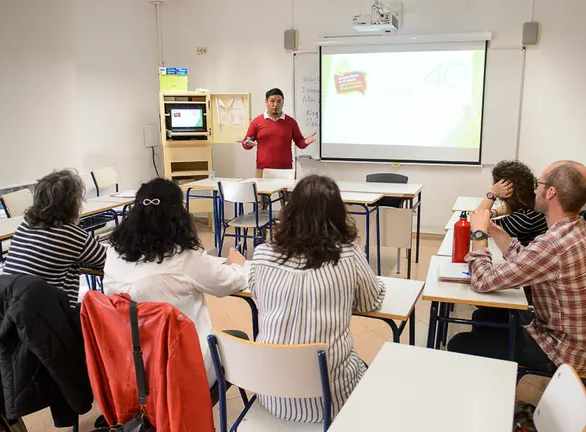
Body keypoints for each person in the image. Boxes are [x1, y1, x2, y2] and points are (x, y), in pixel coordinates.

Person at [446, 161, 586, 375]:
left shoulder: (552, 244)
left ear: (551, 192)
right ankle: (493, 380)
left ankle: (490, 389)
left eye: (539, 183)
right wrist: (496, 231)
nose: (535, 189)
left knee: (460, 343)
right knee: (485, 315)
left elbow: (482, 280)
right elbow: (528, 259)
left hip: (562, 352)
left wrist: (479, 235)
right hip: (579, 343)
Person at [249, 175, 385, 423]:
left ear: (290, 210)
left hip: (271, 394)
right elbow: (371, 302)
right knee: (370, 371)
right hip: (329, 401)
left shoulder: (262, 254)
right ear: (338, 214)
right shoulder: (349, 254)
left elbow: (258, 295)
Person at [101, 177, 248, 389]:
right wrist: (236, 265)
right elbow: (227, 284)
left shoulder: (114, 251)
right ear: (179, 214)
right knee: (238, 339)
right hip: (180, 370)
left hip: (131, 369)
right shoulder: (184, 256)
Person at [3, 169, 106, 308]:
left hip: (11, 314)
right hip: (49, 319)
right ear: (71, 203)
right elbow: (106, 261)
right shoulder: (70, 234)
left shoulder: (24, 227)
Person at [242, 88, 316, 178]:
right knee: (262, 192)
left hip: (285, 172)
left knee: (286, 192)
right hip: (263, 170)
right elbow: (245, 143)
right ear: (266, 102)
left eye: (279, 101)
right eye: (272, 101)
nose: (275, 105)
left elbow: (300, 143)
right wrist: (248, 143)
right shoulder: (257, 121)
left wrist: (306, 141)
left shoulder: (291, 122)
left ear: (283, 103)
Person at [475, 160, 548, 246]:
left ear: (508, 191)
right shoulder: (535, 202)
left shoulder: (525, 219)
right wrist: (493, 213)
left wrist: (493, 193)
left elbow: (477, 225)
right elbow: (508, 208)